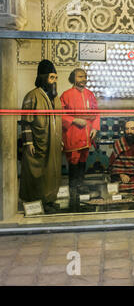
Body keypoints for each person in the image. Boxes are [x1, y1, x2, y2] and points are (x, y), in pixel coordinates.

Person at [19, 59, 62, 214]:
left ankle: (49, 200)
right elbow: (25, 122)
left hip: (53, 143)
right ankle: (37, 203)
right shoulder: (32, 96)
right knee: (37, 174)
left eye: (56, 78)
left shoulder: (55, 98)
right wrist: (28, 142)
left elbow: (58, 122)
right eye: (51, 77)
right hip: (38, 143)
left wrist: (60, 140)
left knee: (53, 173)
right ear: (43, 78)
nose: (54, 81)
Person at [60, 68, 100, 212]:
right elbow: (61, 114)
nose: (84, 79)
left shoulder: (90, 94)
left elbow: (96, 113)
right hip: (73, 133)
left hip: (87, 133)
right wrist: (74, 119)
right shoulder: (66, 95)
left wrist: (95, 127)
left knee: (83, 159)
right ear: (73, 78)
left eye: (85, 76)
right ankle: (73, 191)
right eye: (80, 76)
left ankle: (80, 186)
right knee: (74, 160)